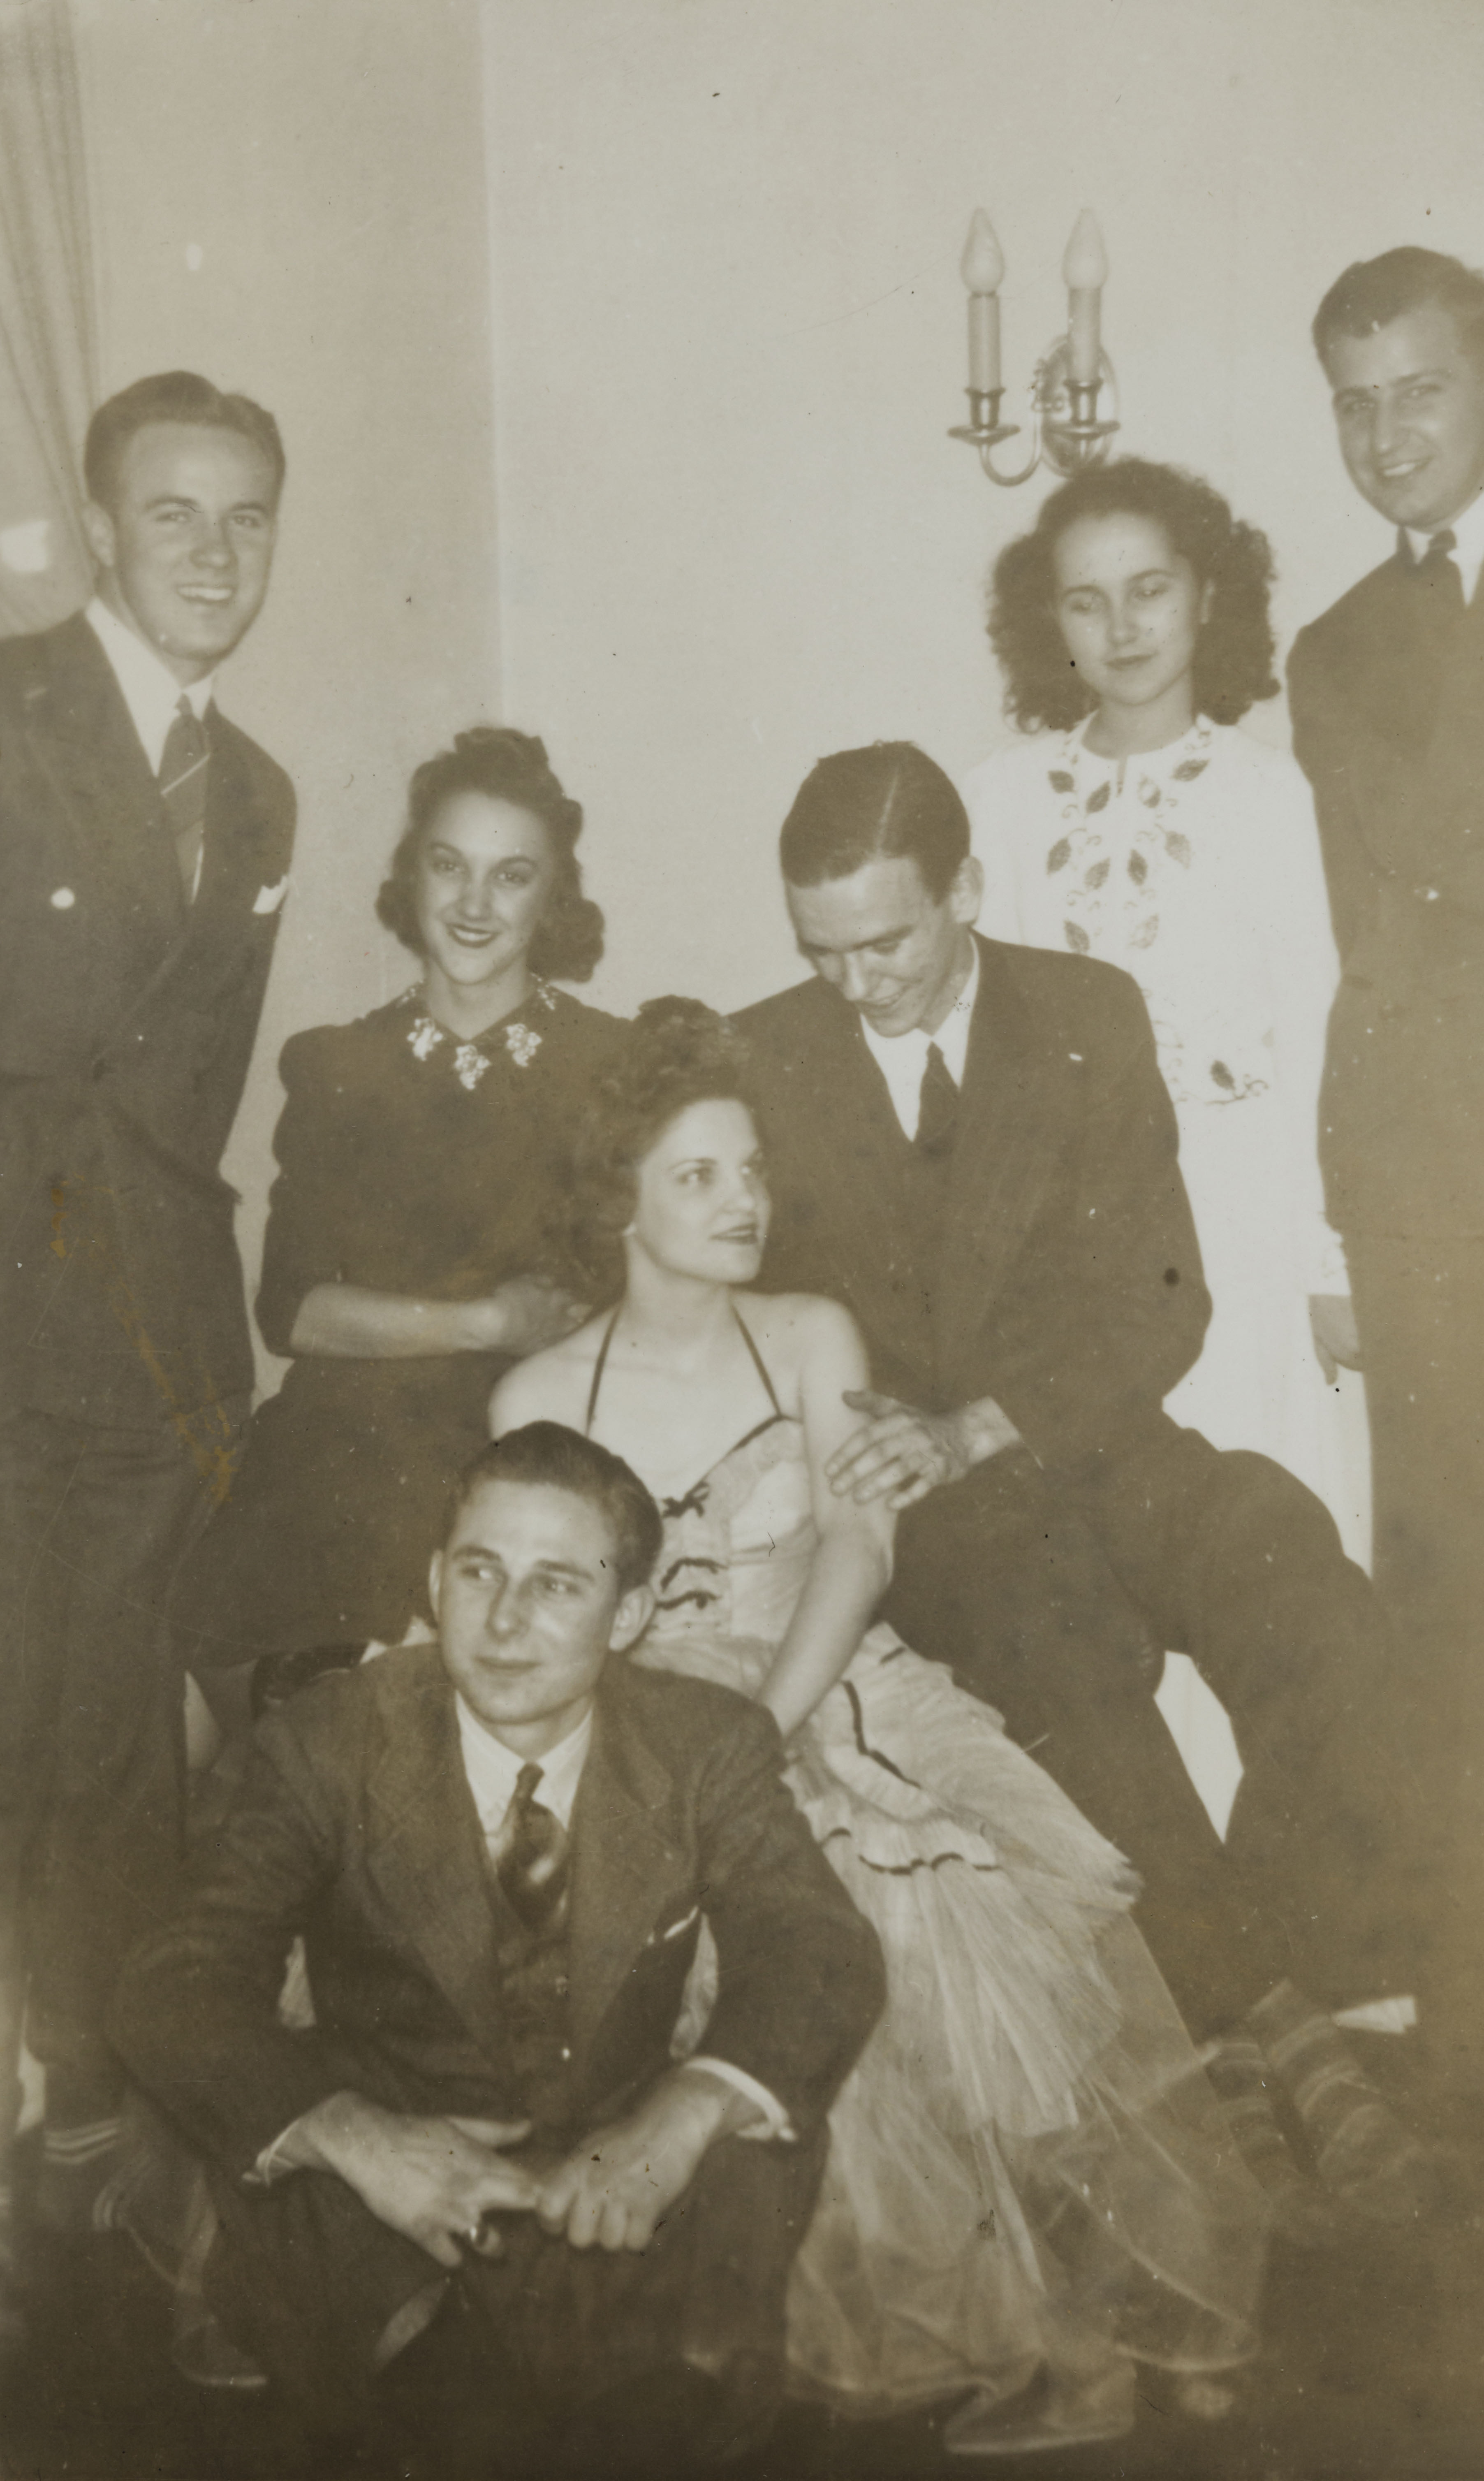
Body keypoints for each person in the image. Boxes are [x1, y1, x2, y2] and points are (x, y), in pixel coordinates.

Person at [491, 1000, 1268, 2451]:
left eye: (751, 1170)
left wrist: (769, 1729)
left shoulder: (805, 1333)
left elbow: (861, 1549)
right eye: (699, 1177)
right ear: (622, 1204)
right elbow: (533, 1613)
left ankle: (1102, 2323)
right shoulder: (542, 1391)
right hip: (649, 1730)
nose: (745, 1202)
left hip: (835, 1683)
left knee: (954, 1959)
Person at [733, 740, 1435, 2226]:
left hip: (1088, 1445)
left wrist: (986, 1421)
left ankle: (1238, 1987)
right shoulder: (765, 1058)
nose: (857, 983)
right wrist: (894, 1440)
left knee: (1301, 1580)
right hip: (928, 1513)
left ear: (969, 889)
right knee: (1064, 1649)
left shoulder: (1085, 1015)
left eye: (890, 941)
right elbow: (757, 1319)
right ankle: (1285, 2046)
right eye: (824, 950)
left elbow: (1161, 1302)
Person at [113, 1422, 884, 2471]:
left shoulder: (707, 1742)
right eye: (481, 1571)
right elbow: (174, 1984)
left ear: (632, 1614)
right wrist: (358, 2135)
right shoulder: (331, 1737)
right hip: (389, 2194)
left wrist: (684, 2111)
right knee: (454, 2421)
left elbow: (818, 1948)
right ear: (435, 1582)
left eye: (561, 1585)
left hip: (617, 2173)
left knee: (732, 2210)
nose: (507, 1620)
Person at [0, 371, 294, 2259]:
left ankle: (96, 2122)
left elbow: (186, 1108)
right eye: (175, 513)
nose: (214, 552)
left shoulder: (256, 787)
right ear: (104, 524)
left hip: (155, 1339)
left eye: (248, 515)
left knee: (114, 1733)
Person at [1288, 249, 1484, 2061]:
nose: (1386, 431)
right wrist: (1352, 1208)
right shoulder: (1329, 651)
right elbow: (1366, 945)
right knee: (1458, 1590)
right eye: (1352, 398)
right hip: (1426, 1195)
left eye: (1417, 387)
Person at [965, 460, 1366, 1554]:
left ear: (1206, 595)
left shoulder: (1269, 797)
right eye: (1084, 601)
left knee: (1243, 1534)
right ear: (1044, 621)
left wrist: (1326, 1266)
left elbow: (1320, 1034)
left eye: (1148, 589)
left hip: (1235, 1219)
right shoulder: (1000, 796)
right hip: (1066, 1232)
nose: (1120, 626)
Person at [170, 727, 618, 1685]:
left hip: (520, 1447)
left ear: (553, 899)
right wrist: (487, 1319)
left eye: (511, 876)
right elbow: (292, 1311)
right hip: (343, 1449)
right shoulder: (338, 1065)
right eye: (449, 866)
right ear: (412, 876)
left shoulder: (611, 1068)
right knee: (200, 1706)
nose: (472, 903)